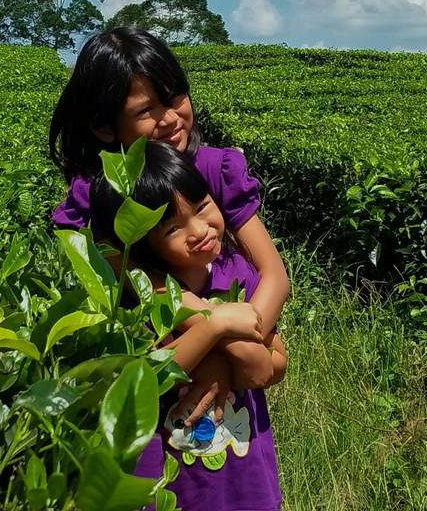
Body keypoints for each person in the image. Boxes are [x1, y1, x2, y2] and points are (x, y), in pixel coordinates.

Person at [49, 27, 290, 420]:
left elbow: (274, 275)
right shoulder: (100, 195)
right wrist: (228, 347)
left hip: (239, 367)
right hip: (162, 377)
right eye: (145, 111)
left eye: (174, 96)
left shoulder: (215, 169)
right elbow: (150, 286)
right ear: (104, 126)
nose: (170, 118)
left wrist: (246, 348)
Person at [90, 141, 285, 511]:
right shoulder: (139, 299)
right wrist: (214, 326)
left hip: (244, 481)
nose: (199, 230)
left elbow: (273, 363)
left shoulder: (236, 273)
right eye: (172, 229)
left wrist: (226, 359)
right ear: (145, 245)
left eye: (202, 207)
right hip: (177, 485)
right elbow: (144, 380)